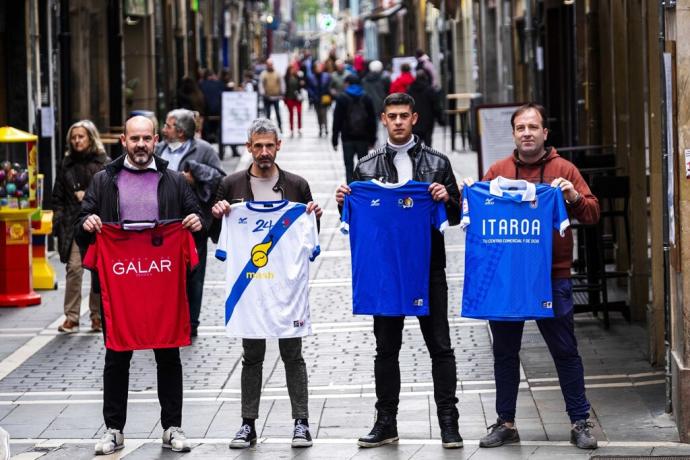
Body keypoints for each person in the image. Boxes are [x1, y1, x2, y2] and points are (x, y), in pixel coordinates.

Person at [462, 103, 600, 450]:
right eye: (521, 127)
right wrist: (468, 194)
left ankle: (580, 422)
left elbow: (593, 212)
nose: (527, 133)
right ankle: (505, 422)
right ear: (513, 134)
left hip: (553, 277)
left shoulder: (563, 169)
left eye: (533, 127)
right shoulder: (497, 171)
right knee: (505, 352)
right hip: (507, 279)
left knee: (565, 351)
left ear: (544, 133)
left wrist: (571, 196)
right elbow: (476, 214)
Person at [335, 93, 463, 449]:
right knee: (386, 349)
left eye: (404, 115)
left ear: (415, 118)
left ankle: (449, 423)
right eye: (392, 116)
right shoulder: (366, 166)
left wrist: (447, 198)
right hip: (386, 273)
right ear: (383, 119)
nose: (398, 122)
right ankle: (385, 421)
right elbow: (360, 220)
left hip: (428, 268)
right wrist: (343, 202)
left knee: (441, 346)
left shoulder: (438, 163)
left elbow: (456, 216)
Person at [76, 115, 202, 455]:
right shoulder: (104, 181)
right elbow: (81, 222)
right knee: (117, 357)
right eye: (135, 139)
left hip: (162, 286)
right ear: (124, 141)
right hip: (121, 286)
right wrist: (87, 222)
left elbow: (197, 217)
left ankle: (172, 427)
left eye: (147, 138)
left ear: (156, 139)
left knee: (168, 354)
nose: (142, 145)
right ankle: (114, 429)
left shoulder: (173, 180)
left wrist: (195, 221)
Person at [210, 118, 322, 449]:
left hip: (286, 289)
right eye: (257, 146)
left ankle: (301, 422)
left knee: (293, 353)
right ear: (248, 148)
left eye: (269, 146)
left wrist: (314, 214)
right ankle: (248, 424)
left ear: (278, 146)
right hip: (249, 289)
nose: (263, 152)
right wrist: (217, 215)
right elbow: (218, 237)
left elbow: (309, 232)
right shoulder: (230, 185)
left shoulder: (297, 186)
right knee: (252, 355)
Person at [156, 109, 225, 337]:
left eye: (167, 125)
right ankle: (167, 319)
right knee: (164, 273)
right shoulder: (158, 150)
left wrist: (195, 178)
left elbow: (220, 179)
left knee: (194, 273)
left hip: (194, 223)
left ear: (181, 131)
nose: (164, 129)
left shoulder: (203, 150)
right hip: (163, 223)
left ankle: (191, 322)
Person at [52, 120, 109, 333]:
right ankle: (72, 317)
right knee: (74, 269)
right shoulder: (66, 164)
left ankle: (97, 316)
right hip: (73, 225)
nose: (77, 140)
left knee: (97, 270)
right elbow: (57, 196)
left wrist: (89, 197)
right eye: (73, 137)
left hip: (98, 225)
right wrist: (59, 218)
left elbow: (112, 194)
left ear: (90, 138)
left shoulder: (104, 162)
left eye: (81, 136)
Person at [331, 74, 377, 184]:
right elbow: (372, 120)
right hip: (363, 137)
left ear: (348, 83)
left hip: (347, 137)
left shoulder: (342, 98)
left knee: (348, 166)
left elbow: (337, 120)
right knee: (363, 166)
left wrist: (334, 139)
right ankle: (363, 189)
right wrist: (372, 139)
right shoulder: (366, 97)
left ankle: (350, 189)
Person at [407, 70, 443, 147]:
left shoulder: (409, 90)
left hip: (414, 121)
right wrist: (440, 120)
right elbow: (436, 106)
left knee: (415, 144)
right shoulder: (430, 90)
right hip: (428, 121)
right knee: (428, 144)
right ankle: (427, 157)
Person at [198, 69, 225, 143]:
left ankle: (208, 137)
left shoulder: (201, 85)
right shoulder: (220, 84)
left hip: (206, 112)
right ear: (213, 76)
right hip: (219, 111)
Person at [307, 62, 332, 137]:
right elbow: (309, 88)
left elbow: (329, 87)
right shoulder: (311, 77)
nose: (319, 68)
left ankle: (326, 128)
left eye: (320, 67)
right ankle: (320, 128)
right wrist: (313, 96)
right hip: (316, 98)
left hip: (324, 98)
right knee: (318, 114)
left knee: (324, 114)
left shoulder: (326, 76)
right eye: (317, 67)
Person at [259, 58, 284, 132]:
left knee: (277, 112)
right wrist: (263, 93)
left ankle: (280, 127)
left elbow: (281, 83)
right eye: (268, 65)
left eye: (271, 64)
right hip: (267, 97)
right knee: (268, 113)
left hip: (276, 96)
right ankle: (268, 128)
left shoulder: (277, 73)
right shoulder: (263, 74)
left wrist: (282, 92)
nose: (270, 66)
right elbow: (261, 84)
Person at [284, 64, 305, 137]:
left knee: (299, 113)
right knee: (291, 114)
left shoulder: (299, 77)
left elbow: (303, 86)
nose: (293, 70)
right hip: (289, 98)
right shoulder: (286, 78)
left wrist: (302, 83)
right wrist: (285, 99)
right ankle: (291, 129)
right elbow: (285, 89)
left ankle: (299, 128)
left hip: (298, 98)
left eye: (294, 69)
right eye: (291, 69)